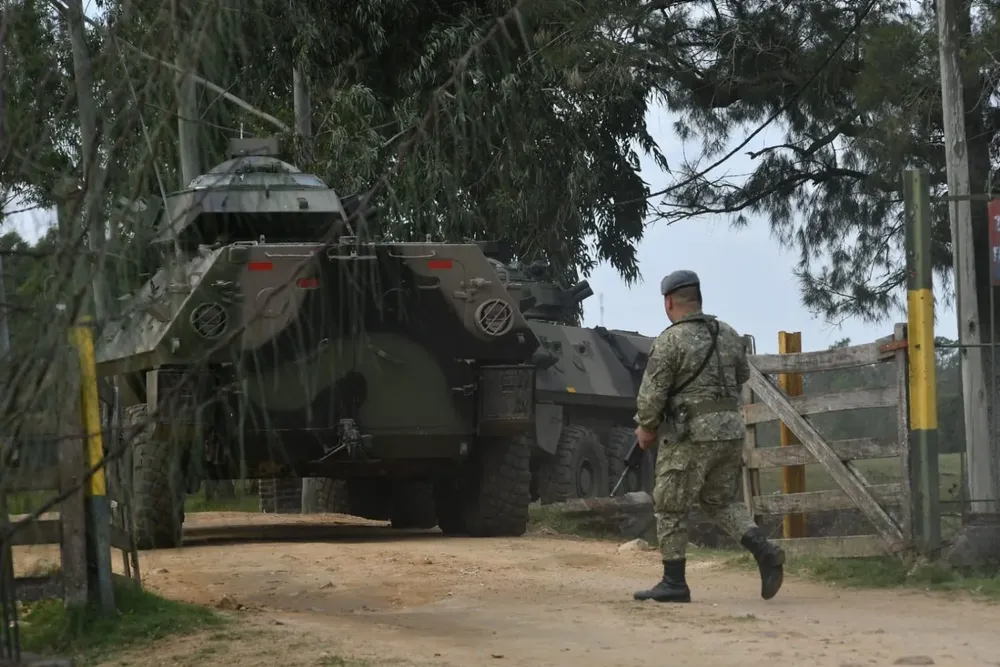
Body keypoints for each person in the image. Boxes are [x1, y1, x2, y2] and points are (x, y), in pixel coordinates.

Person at [632, 269, 785, 603]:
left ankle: (674, 582)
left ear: (669, 301)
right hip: (730, 431)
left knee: (670, 504)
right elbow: (742, 374)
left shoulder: (670, 340)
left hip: (691, 435)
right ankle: (765, 551)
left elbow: (652, 395)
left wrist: (646, 426)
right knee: (721, 501)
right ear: (698, 298)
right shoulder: (728, 334)